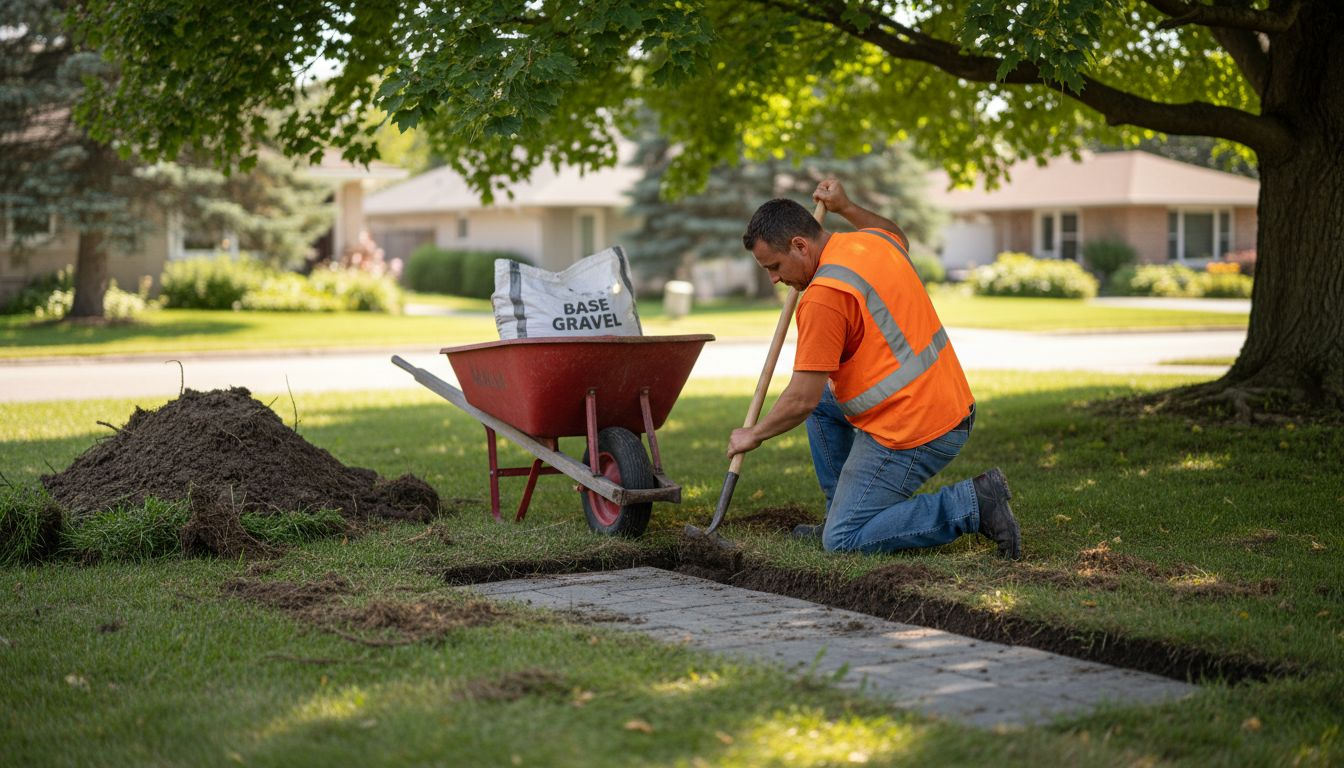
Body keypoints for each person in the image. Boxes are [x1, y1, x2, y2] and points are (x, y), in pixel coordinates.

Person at [727, 179, 1022, 559]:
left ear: (800, 245)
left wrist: (754, 434)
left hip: (914, 427)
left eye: (775, 266)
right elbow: (896, 233)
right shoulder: (870, 242)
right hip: (946, 402)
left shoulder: (824, 297)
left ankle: (973, 504)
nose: (774, 278)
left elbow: (801, 398)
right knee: (823, 407)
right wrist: (847, 206)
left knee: (843, 541)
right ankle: (842, 511)